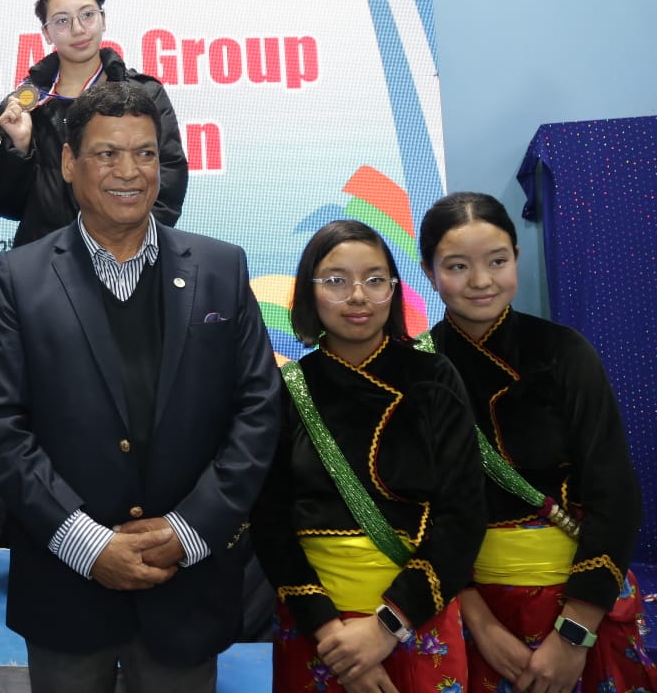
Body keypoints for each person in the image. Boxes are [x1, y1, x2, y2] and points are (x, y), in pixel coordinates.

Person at [0, 83, 279, 691]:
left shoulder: (222, 267)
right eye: (107, 154)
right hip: (65, 586)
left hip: (187, 586)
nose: (129, 172)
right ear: (68, 163)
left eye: (145, 154)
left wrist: (188, 530)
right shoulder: (22, 276)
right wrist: (87, 544)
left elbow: (258, 411)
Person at [419, 192, 657, 693]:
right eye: (457, 266)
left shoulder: (565, 353)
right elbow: (416, 511)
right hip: (465, 606)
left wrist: (574, 633)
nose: (481, 281)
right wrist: (480, 623)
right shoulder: (416, 371)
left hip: (577, 599)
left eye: (497, 261)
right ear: (429, 272)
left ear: (516, 258)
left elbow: (615, 493)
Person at [253, 219, 485, 693]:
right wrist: (330, 634)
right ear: (309, 292)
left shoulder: (433, 377)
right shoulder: (288, 388)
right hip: (319, 631)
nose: (357, 296)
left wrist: (386, 626)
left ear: (394, 291)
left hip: (416, 617)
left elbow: (463, 515)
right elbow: (269, 520)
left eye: (375, 279)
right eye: (336, 281)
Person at [0, 0, 187, 247]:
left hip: (128, 254)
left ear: (103, 19)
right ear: (46, 33)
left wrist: (128, 244)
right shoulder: (24, 105)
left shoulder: (145, 93)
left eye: (87, 15)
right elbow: (4, 204)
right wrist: (19, 149)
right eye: (62, 21)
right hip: (46, 256)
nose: (78, 29)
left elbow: (169, 179)